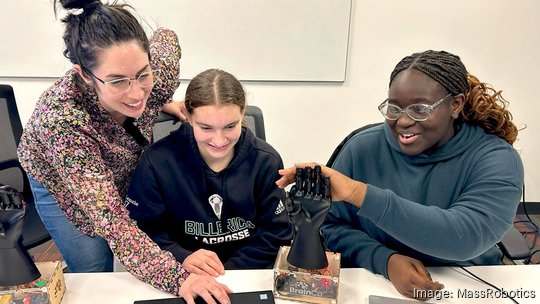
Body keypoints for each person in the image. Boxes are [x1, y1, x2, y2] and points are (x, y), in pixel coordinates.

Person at [17, 1, 231, 302]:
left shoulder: (159, 71)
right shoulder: (62, 120)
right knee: (95, 271)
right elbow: (111, 220)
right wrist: (178, 279)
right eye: (118, 81)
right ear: (85, 74)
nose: (135, 93)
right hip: (61, 178)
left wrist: (157, 99)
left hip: (118, 157)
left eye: (143, 75)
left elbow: (166, 36)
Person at [276, 50, 524, 300]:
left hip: (467, 282)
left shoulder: (495, 159)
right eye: (394, 109)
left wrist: (359, 193)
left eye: (420, 109)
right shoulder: (363, 148)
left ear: (455, 104)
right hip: (373, 281)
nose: (403, 121)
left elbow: (465, 236)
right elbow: (330, 227)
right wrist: (384, 260)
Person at [125, 68, 293, 276]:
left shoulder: (266, 161)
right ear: (188, 116)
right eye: (206, 128)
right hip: (179, 275)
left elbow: (275, 233)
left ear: (243, 112)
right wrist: (181, 256)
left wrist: (229, 275)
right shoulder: (157, 162)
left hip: (246, 276)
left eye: (231, 126)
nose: (219, 140)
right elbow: (140, 231)